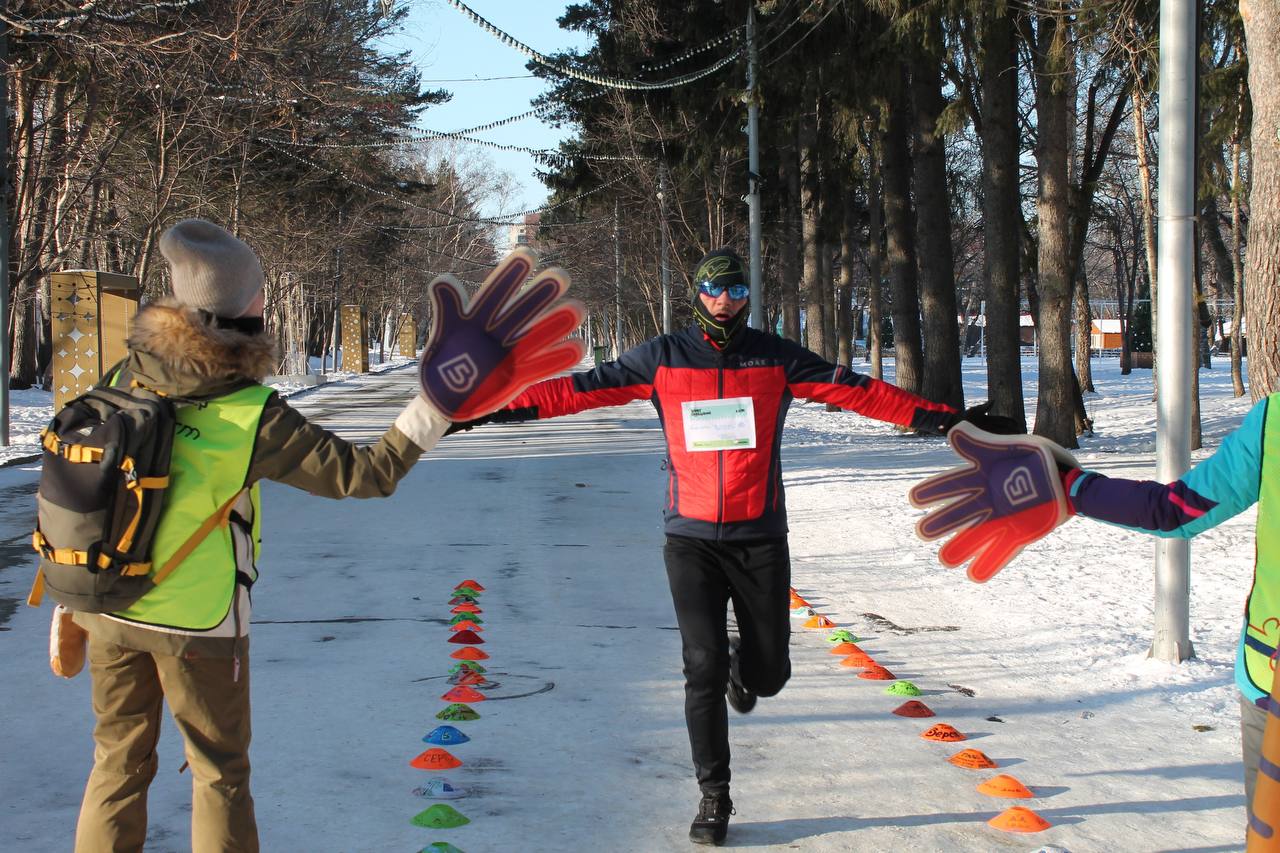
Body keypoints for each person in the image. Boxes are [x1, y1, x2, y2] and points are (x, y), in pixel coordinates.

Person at [66, 220, 579, 852]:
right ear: (244, 305)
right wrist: (436, 405)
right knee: (219, 774)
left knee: (116, 764)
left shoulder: (124, 373)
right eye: (258, 292)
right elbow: (366, 474)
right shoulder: (250, 413)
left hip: (106, 603)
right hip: (197, 620)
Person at [480, 248, 1002, 845]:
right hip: (690, 539)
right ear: (697, 293)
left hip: (760, 538)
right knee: (700, 667)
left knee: (769, 675)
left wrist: (947, 420)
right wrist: (490, 410)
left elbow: (856, 391)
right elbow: (578, 391)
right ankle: (714, 795)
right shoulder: (663, 358)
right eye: (713, 289)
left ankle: (745, 664)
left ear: (747, 296)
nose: (724, 301)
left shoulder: (776, 358)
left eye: (735, 290)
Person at [912, 392, 1280, 842]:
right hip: (1265, 678)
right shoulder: (1273, 420)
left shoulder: (1275, 417)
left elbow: (1174, 511)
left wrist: (1070, 487)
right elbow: (1174, 509)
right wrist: (1068, 487)